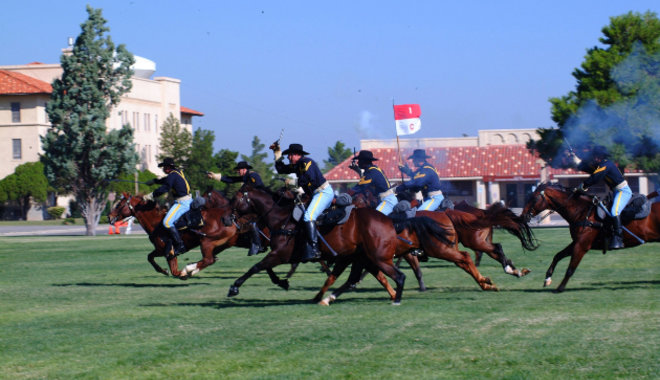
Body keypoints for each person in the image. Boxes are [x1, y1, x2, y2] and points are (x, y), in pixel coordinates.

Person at [272, 142, 333, 262]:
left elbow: (308, 178)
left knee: (308, 217)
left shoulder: (306, 162)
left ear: (296, 155)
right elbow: (281, 169)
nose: (288, 158)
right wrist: (277, 153)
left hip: (323, 193)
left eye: (290, 155)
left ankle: (314, 249)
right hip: (314, 194)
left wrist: (293, 183)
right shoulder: (298, 165)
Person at [571, 145, 631, 249]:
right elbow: (590, 169)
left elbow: (595, 177)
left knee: (614, 212)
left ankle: (618, 238)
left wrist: (583, 186)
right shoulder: (602, 164)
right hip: (615, 191)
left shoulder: (606, 165)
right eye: (594, 156)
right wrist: (577, 162)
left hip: (623, 191)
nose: (594, 158)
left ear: (601, 156)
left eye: (596, 156)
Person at [207, 161, 265, 256]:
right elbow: (231, 179)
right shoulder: (246, 176)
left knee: (253, 223)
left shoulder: (253, 176)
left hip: (260, 203)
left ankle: (258, 244)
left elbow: (258, 189)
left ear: (244, 169)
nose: (238, 172)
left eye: (239, 170)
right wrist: (215, 176)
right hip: (253, 203)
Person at [144, 157, 191, 256]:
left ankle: (180, 245)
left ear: (169, 167)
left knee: (167, 222)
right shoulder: (177, 173)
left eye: (164, 167)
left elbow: (165, 188)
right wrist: (154, 181)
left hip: (182, 203)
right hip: (186, 201)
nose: (163, 169)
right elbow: (166, 180)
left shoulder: (172, 175)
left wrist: (151, 195)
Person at [349, 150, 398, 215]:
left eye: (359, 160)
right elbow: (365, 179)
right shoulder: (373, 170)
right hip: (383, 200)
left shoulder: (371, 172)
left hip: (387, 201)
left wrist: (345, 196)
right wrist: (357, 170)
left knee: (376, 217)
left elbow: (361, 186)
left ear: (364, 161)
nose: (357, 163)